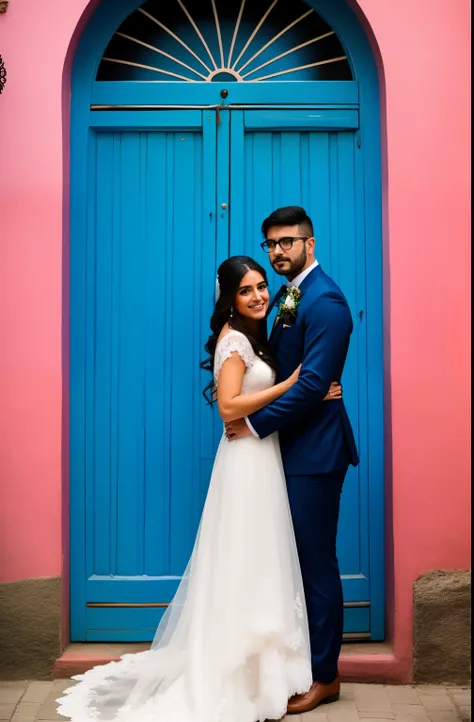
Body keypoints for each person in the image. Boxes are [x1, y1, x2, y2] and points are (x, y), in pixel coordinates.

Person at [57, 255, 341, 722]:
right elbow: (229, 408)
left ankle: (267, 666)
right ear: (229, 300)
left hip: (262, 457)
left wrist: (311, 391)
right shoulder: (233, 343)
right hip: (245, 460)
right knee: (244, 555)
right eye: (246, 290)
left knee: (262, 556)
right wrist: (293, 385)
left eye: (262, 287)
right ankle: (235, 669)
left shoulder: (256, 337)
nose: (258, 296)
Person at [225, 206, 359, 715]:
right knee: (287, 561)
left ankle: (326, 676)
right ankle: (297, 663)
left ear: (310, 242)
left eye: (287, 242)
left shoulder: (325, 301)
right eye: (271, 244)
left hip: (315, 453)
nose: (278, 251)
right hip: (286, 447)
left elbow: (310, 384)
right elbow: (285, 367)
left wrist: (254, 424)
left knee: (315, 563)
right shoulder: (283, 295)